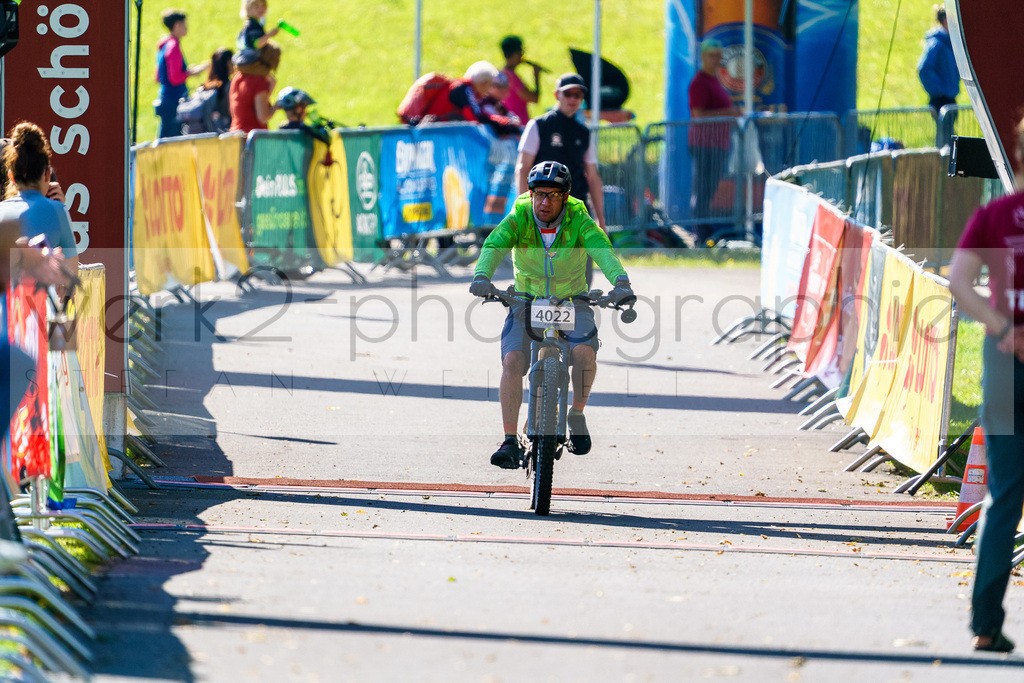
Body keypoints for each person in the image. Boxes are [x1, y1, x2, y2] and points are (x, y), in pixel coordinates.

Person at [469, 161, 634, 469]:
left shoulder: (579, 219)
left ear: (565, 196)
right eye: (539, 194)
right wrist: (482, 275)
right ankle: (509, 440)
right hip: (526, 300)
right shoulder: (519, 217)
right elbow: (494, 244)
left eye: (553, 195)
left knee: (585, 353)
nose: (545, 202)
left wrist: (620, 282)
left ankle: (576, 413)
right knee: (511, 361)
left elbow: (602, 249)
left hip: (572, 300)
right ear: (530, 194)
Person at [948, 115, 1024, 654]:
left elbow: (958, 282)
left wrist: (1004, 329)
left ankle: (985, 623)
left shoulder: (996, 215)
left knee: (1005, 497)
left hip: (1005, 361)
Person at [515, 73, 605, 230]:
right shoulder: (538, 125)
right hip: (544, 208)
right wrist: (525, 210)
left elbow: (593, 177)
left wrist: (600, 219)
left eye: (577, 95)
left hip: (575, 207)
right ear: (557, 95)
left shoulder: (584, 133)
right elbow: (523, 169)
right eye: (568, 94)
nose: (573, 99)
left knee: (581, 255)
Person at [0, 123, 79, 279]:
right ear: (48, 175)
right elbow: (71, 276)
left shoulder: (2, 211)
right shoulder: (57, 211)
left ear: (11, 177)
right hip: (40, 301)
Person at [688, 39, 740, 245]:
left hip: (718, 143)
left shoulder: (714, 80)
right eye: (712, 56)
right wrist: (729, 112)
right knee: (703, 188)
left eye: (719, 56)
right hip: (704, 143)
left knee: (709, 188)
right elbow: (698, 114)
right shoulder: (699, 82)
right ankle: (700, 234)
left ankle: (704, 231)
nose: (716, 60)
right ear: (703, 57)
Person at [154, 8, 208, 139]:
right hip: (174, 100)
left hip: (165, 98)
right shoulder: (173, 47)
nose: (186, 27)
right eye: (184, 24)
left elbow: (158, 76)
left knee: (164, 137)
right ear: (177, 25)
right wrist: (192, 73)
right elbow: (175, 78)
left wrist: (186, 71)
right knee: (171, 140)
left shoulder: (164, 45)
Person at [447, 62, 522, 137]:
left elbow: (481, 115)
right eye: (490, 85)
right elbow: (476, 118)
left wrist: (504, 121)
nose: (489, 90)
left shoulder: (467, 89)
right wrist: (506, 127)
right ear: (484, 83)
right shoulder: (466, 90)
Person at [229, 42, 281, 134]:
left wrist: (272, 84)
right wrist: (276, 106)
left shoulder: (238, 76)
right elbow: (263, 117)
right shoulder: (258, 81)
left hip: (236, 134)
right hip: (253, 137)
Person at [917, 6, 960, 114]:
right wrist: (939, 90)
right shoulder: (937, 42)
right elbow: (924, 68)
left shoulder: (951, 42)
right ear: (946, 20)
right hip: (940, 99)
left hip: (950, 97)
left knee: (949, 130)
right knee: (945, 130)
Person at [500, 35, 541, 124]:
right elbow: (534, 98)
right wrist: (536, 77)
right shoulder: (512, 78)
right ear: (515, 54)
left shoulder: (502, 73)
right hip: (518, 125)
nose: (522, 55)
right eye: (520, 52)